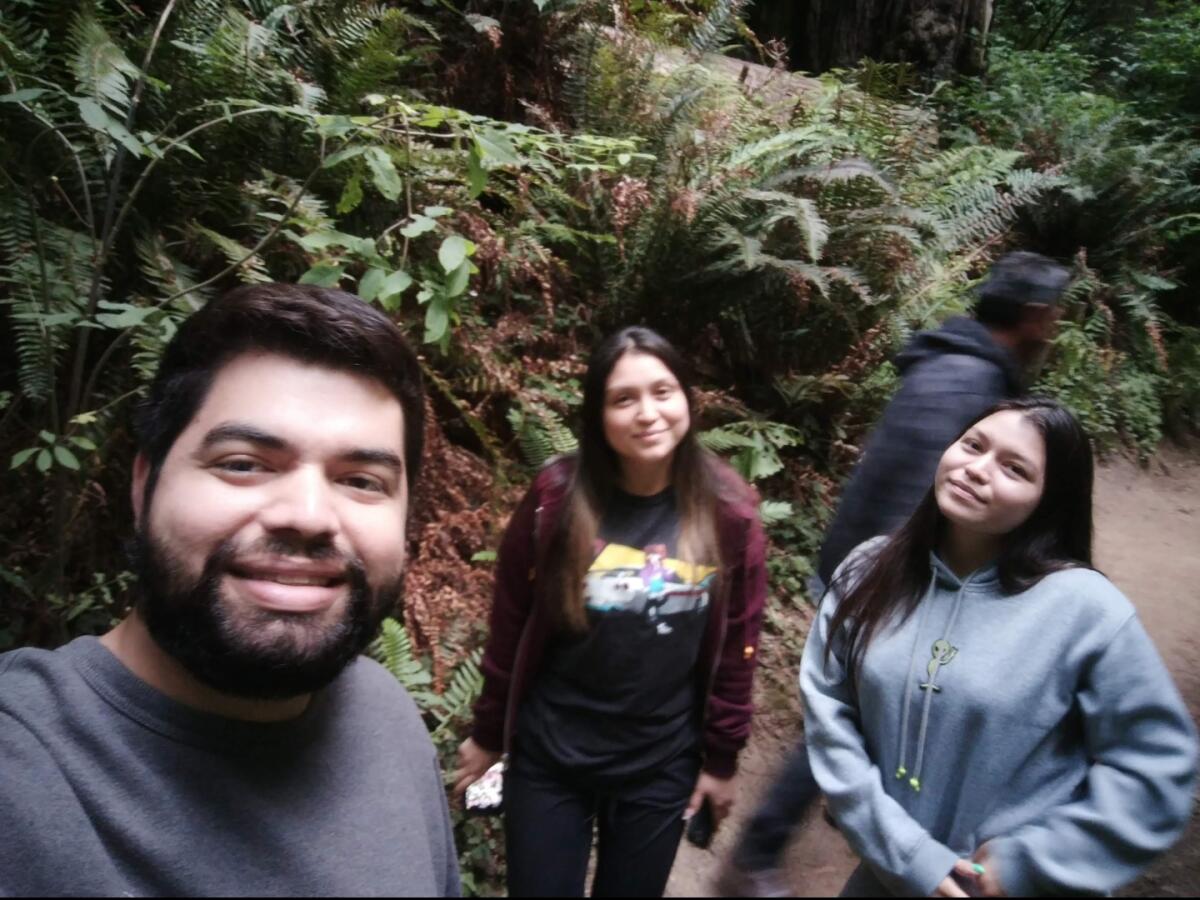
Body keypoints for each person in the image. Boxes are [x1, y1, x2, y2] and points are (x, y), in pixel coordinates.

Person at [0, 284, 461, 896]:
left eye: (361, 480)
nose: (308, 515)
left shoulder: (388, 717)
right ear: (145, 486)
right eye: (243, 463)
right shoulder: (24, 763)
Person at [717, 251, 1072, 896]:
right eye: (1052, 315)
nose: (1054, 328)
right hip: (879, 574)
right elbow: (922, 496)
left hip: (865, 561)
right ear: (1032, 314)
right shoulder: (969, 383)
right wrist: (904, 591)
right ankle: (755, 853)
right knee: (849, 716)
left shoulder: (957, 366)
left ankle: (850, 808)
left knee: (873, 711)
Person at [801, 397, 1197, 897]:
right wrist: (904, 852)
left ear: (1048, 501)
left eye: (1014, 469)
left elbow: (1157, 768)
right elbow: (828, 710)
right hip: (887, 880)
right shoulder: (868, 570)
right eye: (973, 445)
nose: (977, 470)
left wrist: (1031, 863)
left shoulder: (1085, 610)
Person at [453, 326, 768, 897]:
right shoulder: (557, 497)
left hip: (660, 761)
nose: (648, 413)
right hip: (551, 754)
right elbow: (510, 623)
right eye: (624, 399)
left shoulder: (728, 513)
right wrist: (490, 731)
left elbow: (737, 647)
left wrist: (721, 759)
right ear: (598, 413)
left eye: (663, 392)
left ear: (688, 401)